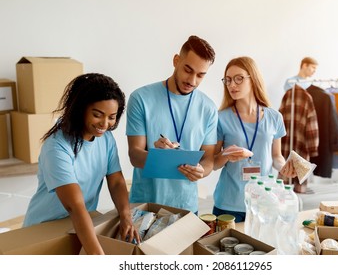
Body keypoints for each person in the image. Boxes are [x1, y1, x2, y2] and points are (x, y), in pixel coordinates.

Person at [23, 73, 140, 255]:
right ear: (80, 108)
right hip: (45, 228)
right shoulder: (57, 147)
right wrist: (96, 255)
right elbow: (74, 205)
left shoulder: (106, 139)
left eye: (112, 117)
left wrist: (126, 216)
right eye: (97, 114)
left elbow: (116, 180)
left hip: (79, 225)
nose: (105, 123)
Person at [126, 35, 218, 213]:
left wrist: (202, 171)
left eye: (200, 75)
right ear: (176, 60)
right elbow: (134, 156)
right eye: (188, 70)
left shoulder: (208, 108)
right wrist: (158, 156)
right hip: (144, 205)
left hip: (186, 207)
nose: (192, 81)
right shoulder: (141, 99)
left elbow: (209, 159)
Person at [213, 56, 296, 222]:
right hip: (228, 203)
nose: (232, 85)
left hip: (263, 202)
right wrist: (227, 155)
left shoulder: (274, 117)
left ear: (253, 79)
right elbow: (213, 163)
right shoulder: (220, 118)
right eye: (228, 80)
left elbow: (276, 156)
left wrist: (283, 167)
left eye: (239, 79)